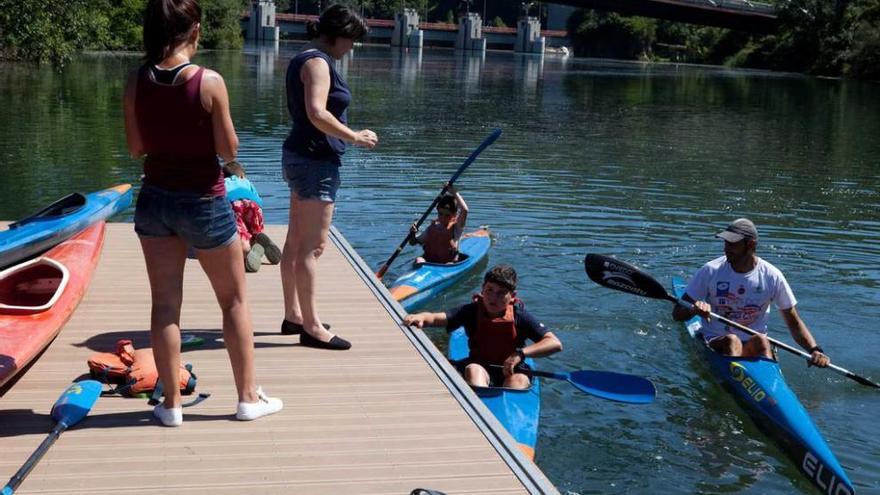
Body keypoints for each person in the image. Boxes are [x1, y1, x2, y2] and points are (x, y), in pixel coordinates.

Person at [123, 0, 282, 426]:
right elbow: (229, 151)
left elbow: (136, 148)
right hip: (205, 201)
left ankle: (171, 405)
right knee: (232, 302)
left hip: (155, 198)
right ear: (194, 29)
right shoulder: (208, 81)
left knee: (164, 305)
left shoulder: (137, 80)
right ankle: (248, 399)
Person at [279, 5, 377, 350]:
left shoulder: (304, 57)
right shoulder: (319, 63)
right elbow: (317, 112)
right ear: (338, 35)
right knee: (313, 247)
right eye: (351, 40)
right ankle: (312, 327)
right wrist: (354, 136)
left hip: (299, 155)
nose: (351, 48)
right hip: (315, 160)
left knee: (295, 242)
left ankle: (294, 315)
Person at [672, 218, 830, 367]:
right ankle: (737, 377)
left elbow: (793, 321)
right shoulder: (711, 271)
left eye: (732, 244)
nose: (726, 249)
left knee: (761, 340)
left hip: (753, 344)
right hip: (716, 340)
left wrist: (814, 350)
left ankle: (768, 382)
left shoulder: (771, 276)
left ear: (751, 245)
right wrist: (694, 310)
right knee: (732, 340)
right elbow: (677, 313)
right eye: (726, 243)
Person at [404, 264, 563, 389]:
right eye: (489, 290)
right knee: (473, 370)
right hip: (480, 367)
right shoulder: (471, 311)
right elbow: (437, 318)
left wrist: (520, 354)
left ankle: (506, 417)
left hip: (513, 371)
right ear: (482, 289)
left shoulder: (519, 316)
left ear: (512, 296)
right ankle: (479, 406)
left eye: (501, 293)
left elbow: (554, 343)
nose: (493, 297)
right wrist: (422, 317)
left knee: (519, 380)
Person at [222, 161, 282, 273]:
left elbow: (219, 201)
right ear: (241, 175)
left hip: (234, 204)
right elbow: (259, 201)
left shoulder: (223, 183)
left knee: (241, 234)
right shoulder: (246, 181)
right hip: (253, 204)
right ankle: (256, 237)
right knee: (254, 228)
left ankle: (246, 250)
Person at [409, 184, 468, 265]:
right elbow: (412, 242)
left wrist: (454, 192)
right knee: (419, 260)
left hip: (448, 264)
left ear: (454, 215)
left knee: (449, 264)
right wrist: (412, 233)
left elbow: (465, 210)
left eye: (447, 215)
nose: (443, 218)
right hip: (428, 262)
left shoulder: (456, 228)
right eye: (440, 214)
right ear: (437, 211)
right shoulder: (432, 228)